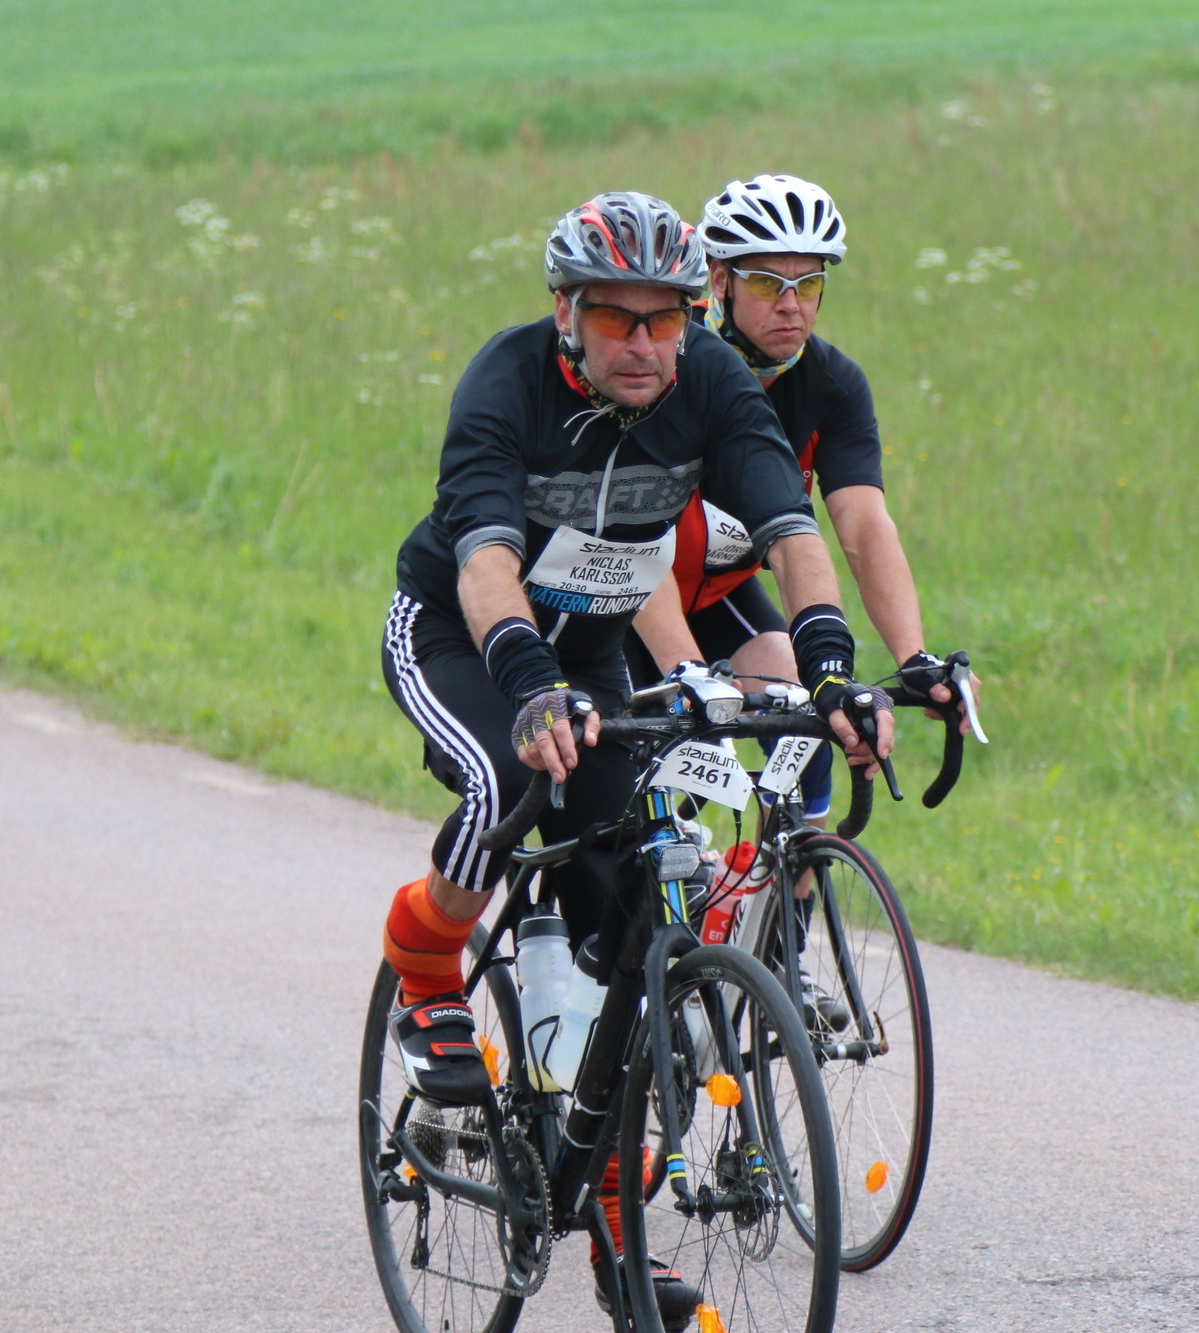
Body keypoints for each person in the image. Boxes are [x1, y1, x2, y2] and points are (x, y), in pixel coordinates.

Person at [374, 190, 893, 1327]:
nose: (645, 344)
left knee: (638, 911)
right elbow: (485, 559)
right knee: (509, 779)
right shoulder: (505, 382)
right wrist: (526, 685)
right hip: (464, 636)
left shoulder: (709, 383)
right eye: (617, 318)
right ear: (566, 312)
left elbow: (791, 528)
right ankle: (425, 965)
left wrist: (829, 670)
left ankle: (615, 1219)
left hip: (593, 655)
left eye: (666, 317)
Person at [626, 173, 977, 837]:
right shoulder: (661, 368)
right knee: (657, 804)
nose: (791, 305)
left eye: (808, 284)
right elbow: (630, 540)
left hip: (717, 593)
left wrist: (913, 658)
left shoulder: (832, 385)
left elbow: (864, 527)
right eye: (767, 284)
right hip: (622, 598)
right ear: (720, 281)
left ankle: (785, 891)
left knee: (805, 715)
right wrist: (690, 673)